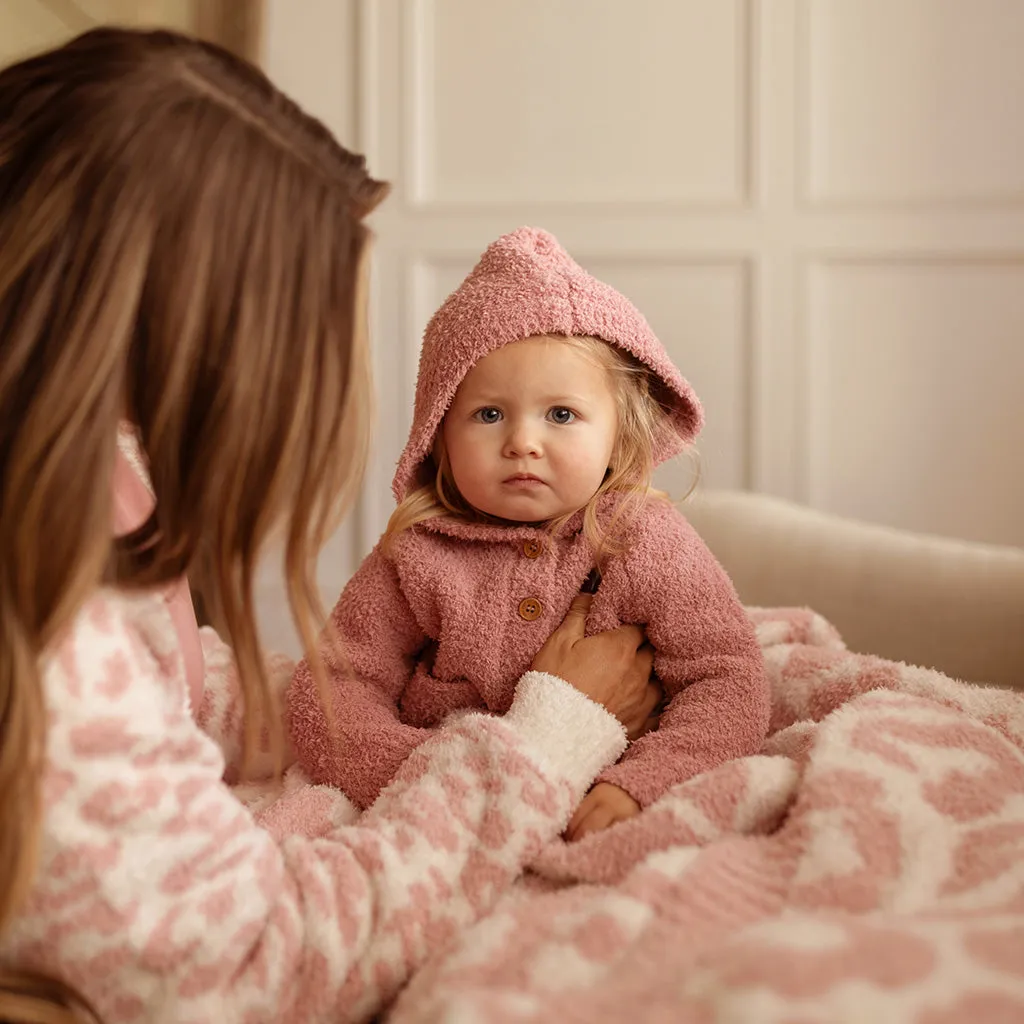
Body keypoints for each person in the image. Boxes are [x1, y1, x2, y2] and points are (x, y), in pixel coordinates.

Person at [0, 29, 661, 1024]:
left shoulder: (79, 475)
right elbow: (268, 964)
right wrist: (543, 736)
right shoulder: (47, 606)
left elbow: (154, 701)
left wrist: (355, 689)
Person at [288, 227, 770, 842]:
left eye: (561, 415)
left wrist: (646, 782)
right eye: (488, 414)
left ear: (618, 435)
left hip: (597, 806)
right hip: (447, 815)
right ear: (438, 435)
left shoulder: (640, 539)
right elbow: (332, 689)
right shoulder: (418, 551)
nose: (522, 442)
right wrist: (429, 779)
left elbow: (726, 678)